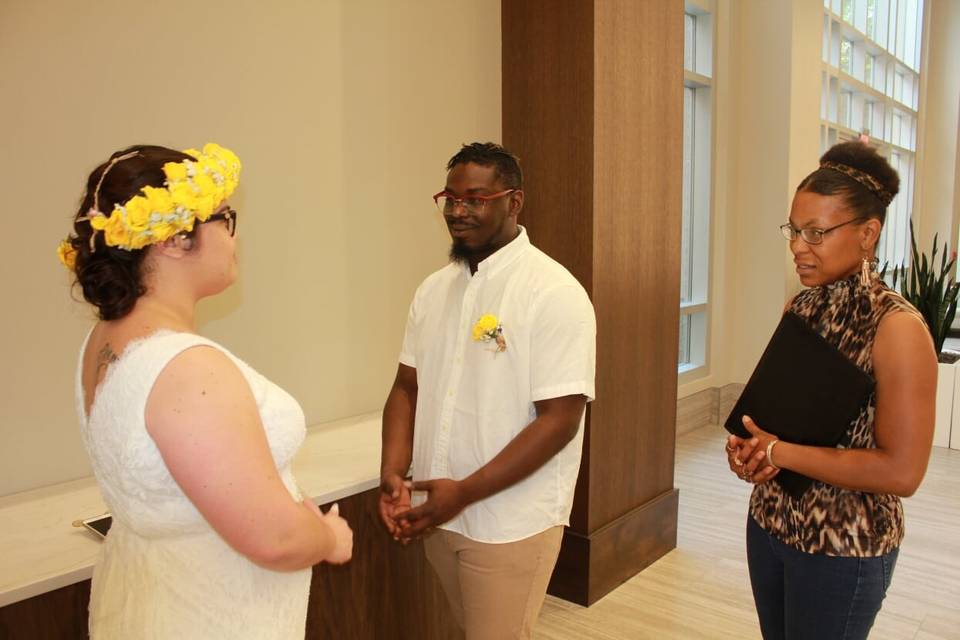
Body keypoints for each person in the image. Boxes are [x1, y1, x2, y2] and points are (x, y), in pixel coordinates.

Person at [57, 144, 352, 638]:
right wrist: (327, 537)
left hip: (152, 594)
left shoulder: (104, 339)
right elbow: (275, 538)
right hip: (205, 614)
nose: (234, 237)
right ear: (175, 238)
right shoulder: (188, 372)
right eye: (224, 218)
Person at [378, 142, 596, 640]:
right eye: (450, 199)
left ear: (513, 202)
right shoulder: (433, 290)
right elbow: (406, 388)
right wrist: (393, 474)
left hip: (510, 521)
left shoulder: (554, 292)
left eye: (474, 199)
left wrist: (465, 494)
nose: (458, 212)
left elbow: (559, 420)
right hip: (437, 507)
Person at [726, 141, 937, 639]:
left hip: (844, 548)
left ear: (868, 234)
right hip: (770, 525)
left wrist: (782, 451)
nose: (799, 246)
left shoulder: (897, 328)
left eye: (816, 233)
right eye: (795, 231)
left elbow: (902, 471)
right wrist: (750, 449)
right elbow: (773, 418)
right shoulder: (800, 308)